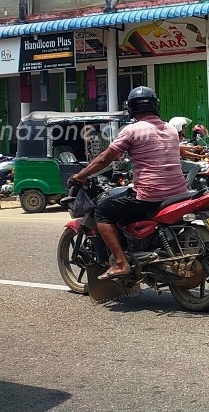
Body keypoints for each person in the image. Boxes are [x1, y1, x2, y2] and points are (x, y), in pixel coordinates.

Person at [69, 87, 188, 279]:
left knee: (102, 211)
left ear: (131, 108)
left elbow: (103, 160)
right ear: (155, 105)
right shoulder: (171, 130)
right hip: (178, 194)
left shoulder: (131, 130)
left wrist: (81, 175)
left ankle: (120, 263)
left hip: (150, 197)